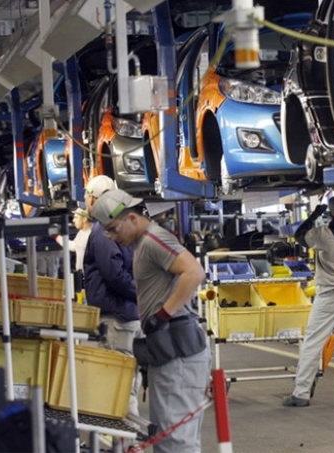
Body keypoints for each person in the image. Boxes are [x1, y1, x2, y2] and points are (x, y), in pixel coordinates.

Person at [90, 188, 210, 453]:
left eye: (113, 229)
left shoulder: (154, 239)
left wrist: (163, 314)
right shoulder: (143, 244)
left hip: (176, 349)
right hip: (167, 350)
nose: (111, 237)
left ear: (132, 218)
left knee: (175, 441)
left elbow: (194, 272)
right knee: (170, 436)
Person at [283, 192, 334, 407]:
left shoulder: (323, 234)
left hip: (330, 296)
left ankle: (301, 394)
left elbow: (299, 236)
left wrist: (314, 214)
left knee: (312, 343)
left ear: (330, 212)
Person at [83, 175, 142, 416]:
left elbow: (114, 274)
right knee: (127, 382)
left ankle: (127, 445)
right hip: (126, 315)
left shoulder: (101, 230)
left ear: (95, 199)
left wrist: (139, 295)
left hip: (116, 318)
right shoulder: (122, 224)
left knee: (119, 384)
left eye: (87, 197)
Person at [55, 207, 92, 272]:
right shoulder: (81, 233)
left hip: (89, 276)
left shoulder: (92, 235)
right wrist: (57, 237)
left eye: (76, 217)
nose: (73, 220)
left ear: (84, 219)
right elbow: (73, 246)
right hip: (82, 275)